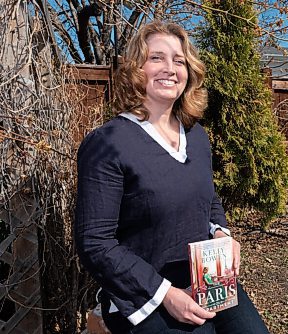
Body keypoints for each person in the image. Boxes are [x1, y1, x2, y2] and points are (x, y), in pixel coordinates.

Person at [75, 20, 269, 334]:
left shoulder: (196, 137)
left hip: (207, 279)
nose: (170, 68)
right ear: (136, 68)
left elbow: (208, 199)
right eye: (157, 58)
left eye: (178, 61)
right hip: (143, 294)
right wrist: (165, 294)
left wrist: (221, 233)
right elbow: (95, 243)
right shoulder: (107, 144)